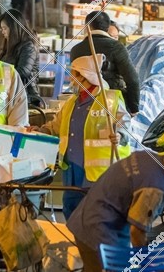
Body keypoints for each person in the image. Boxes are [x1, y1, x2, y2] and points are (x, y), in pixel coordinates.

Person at [67, 144, 164, 272]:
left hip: (85, 217)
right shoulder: (156, 189)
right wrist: (143, 261)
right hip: (99, 231)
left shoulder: (147, 156)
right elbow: (137, 232)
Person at [40, 54, 131, 216]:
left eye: (74, 75)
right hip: (71, 171)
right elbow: (55, 126)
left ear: (85, 76)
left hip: (97, 175)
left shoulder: (109, 100)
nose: (71, 79)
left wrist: (119, 135)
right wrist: (40, 130)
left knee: (94, 216)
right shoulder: (71, 103)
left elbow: (125, 125)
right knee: (71, 212)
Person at [70, 10, 141, 114]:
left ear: (87, 27)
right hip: (112, 105)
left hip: (84, 105)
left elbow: (74, 82)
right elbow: (133, 80)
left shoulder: (76, 50)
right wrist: (133, 109)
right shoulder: (116, 47)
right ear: (108, 28)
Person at [0, 9, 43, 108]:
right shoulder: (9, 46)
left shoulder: (28, 46)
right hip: (9, 94)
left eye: (5, 28)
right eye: (1, 29)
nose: (3, 32)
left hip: (26, 97)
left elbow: (23, 72)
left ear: (14, 28)